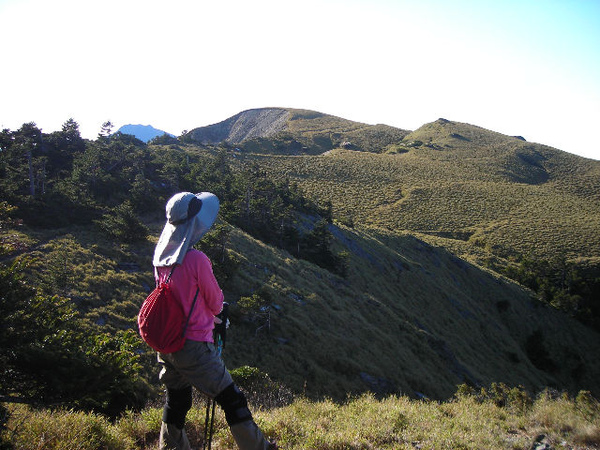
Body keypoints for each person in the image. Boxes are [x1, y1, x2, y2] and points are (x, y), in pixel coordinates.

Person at [152, 191, 277, 450]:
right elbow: (216, 302)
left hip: (166, 344)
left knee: (176, 402)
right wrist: (215, 316)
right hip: (194, 346)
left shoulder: (160, 258)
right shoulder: (197, 259)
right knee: (232, 400)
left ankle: (171, 447)